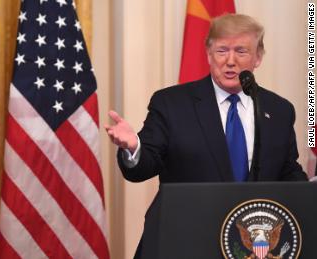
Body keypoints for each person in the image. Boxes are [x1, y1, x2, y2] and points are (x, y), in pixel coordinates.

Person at [105, 14, 308, 258]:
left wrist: (309, 191)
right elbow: (143, 166)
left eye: (241, 51)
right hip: (183, 239)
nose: (230, 61)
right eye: (222, 50)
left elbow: (286, 172)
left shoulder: (278, 109)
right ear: (209, 55)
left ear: (258, 57)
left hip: (249, 247)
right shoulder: (171, 103)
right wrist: (133, 147)